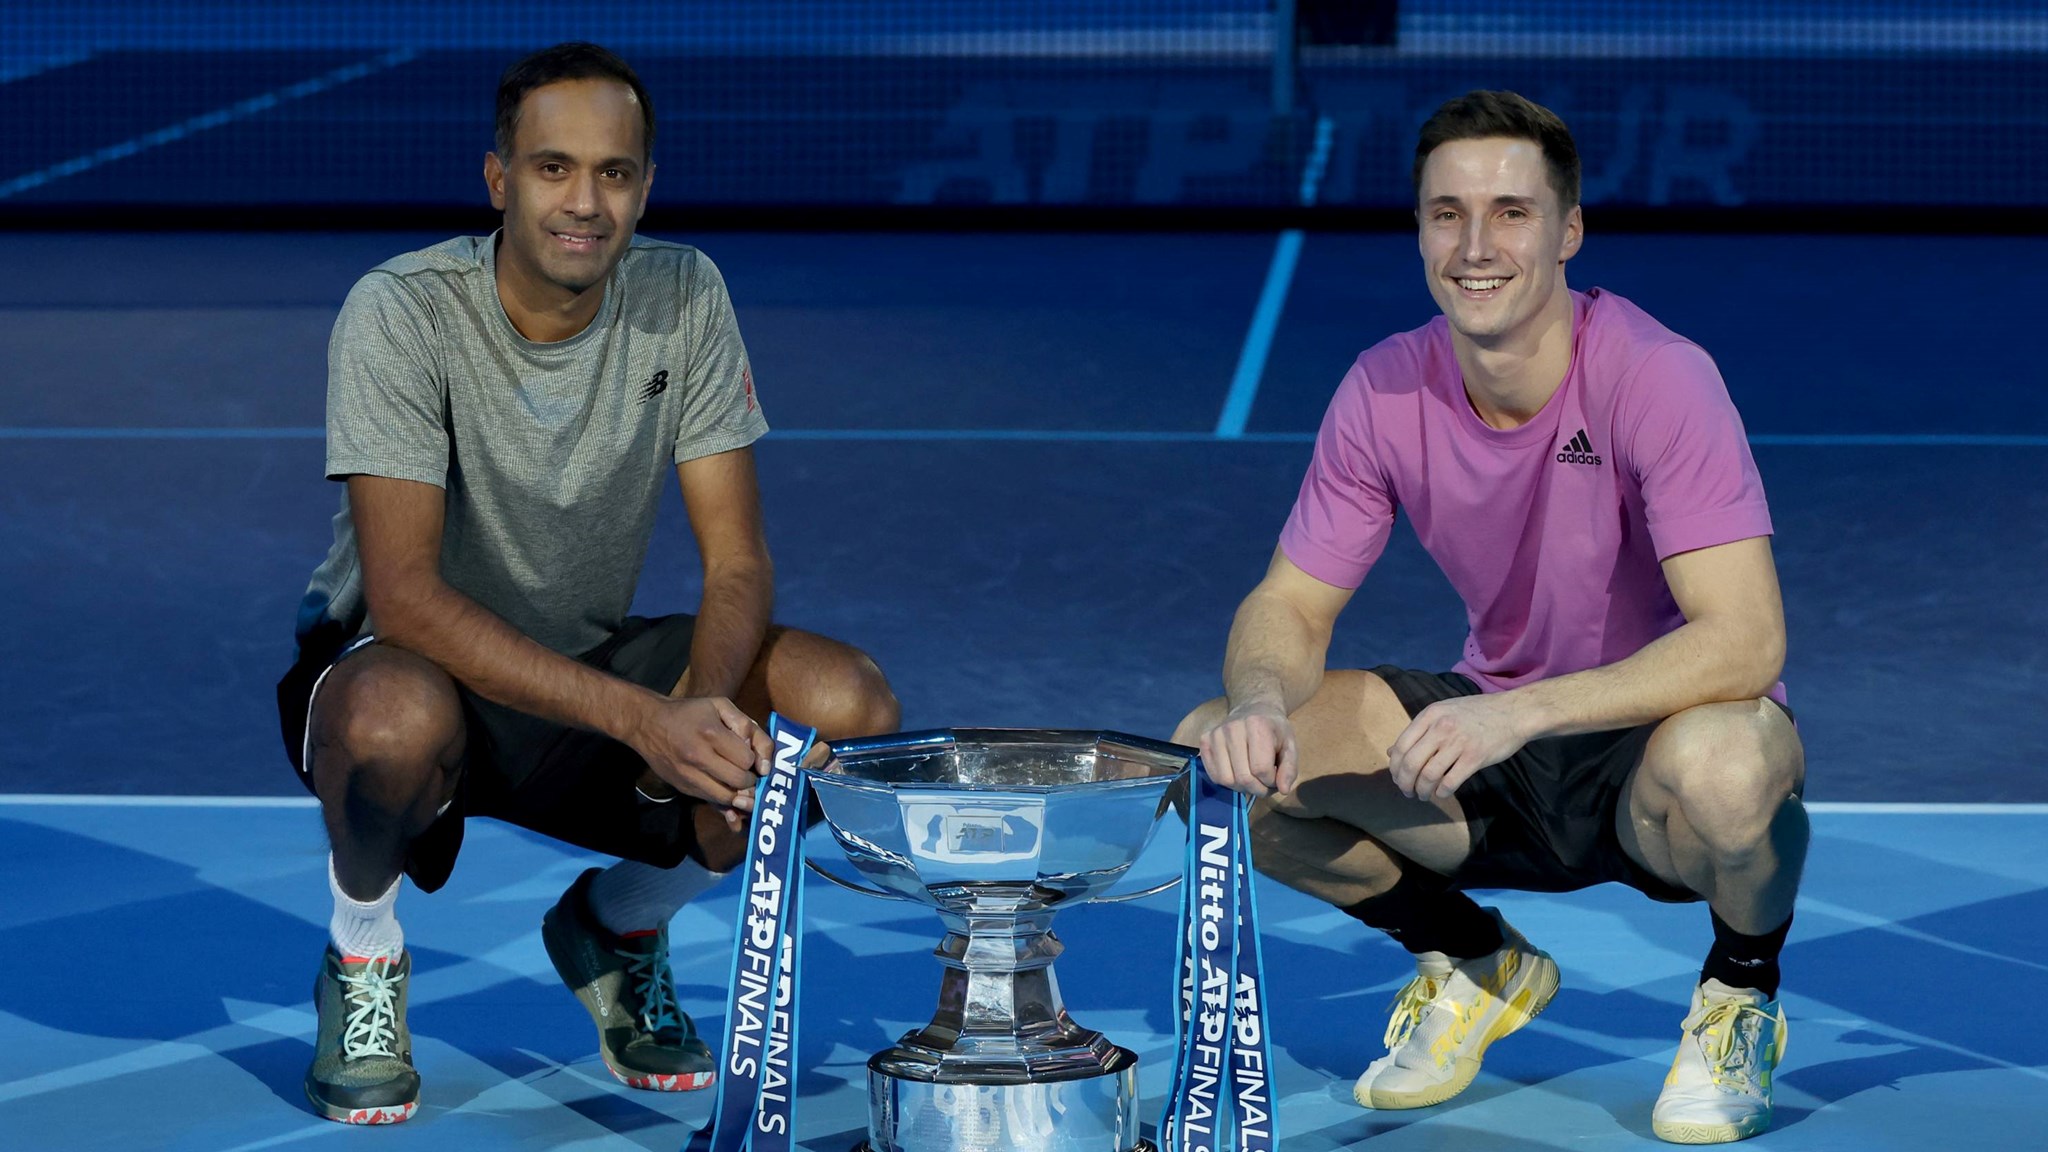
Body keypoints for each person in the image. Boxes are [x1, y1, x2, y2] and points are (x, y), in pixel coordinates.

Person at [274, 42, 900, 1125]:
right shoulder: (402, 311)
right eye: (553, 167)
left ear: (645, 186)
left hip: (585, 666)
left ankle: (615, 923)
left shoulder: (684, 292)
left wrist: (696, 724)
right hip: (407, 671)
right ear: (498, 179)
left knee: (839, 709)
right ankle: (363, 956)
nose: (584, 201)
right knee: (388, 723)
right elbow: (407, 595)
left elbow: (737, 559)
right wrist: (647, 724)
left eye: (613, 173)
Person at [1177, 90, 1805, 1146]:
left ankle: (1738, 992)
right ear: (1418, 229)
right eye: (1445, 213)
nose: (1474, 245)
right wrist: (1253, 700)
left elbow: (1744, 641)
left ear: (1567, 232)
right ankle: (1476, 961)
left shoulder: (1658, 378)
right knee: (1221, 759)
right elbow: (1287, 602)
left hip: (1652, 752)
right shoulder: (1382, 388)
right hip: (1491, 744)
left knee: (1733, 769)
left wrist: (1518, 715)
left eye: (1510, 212)